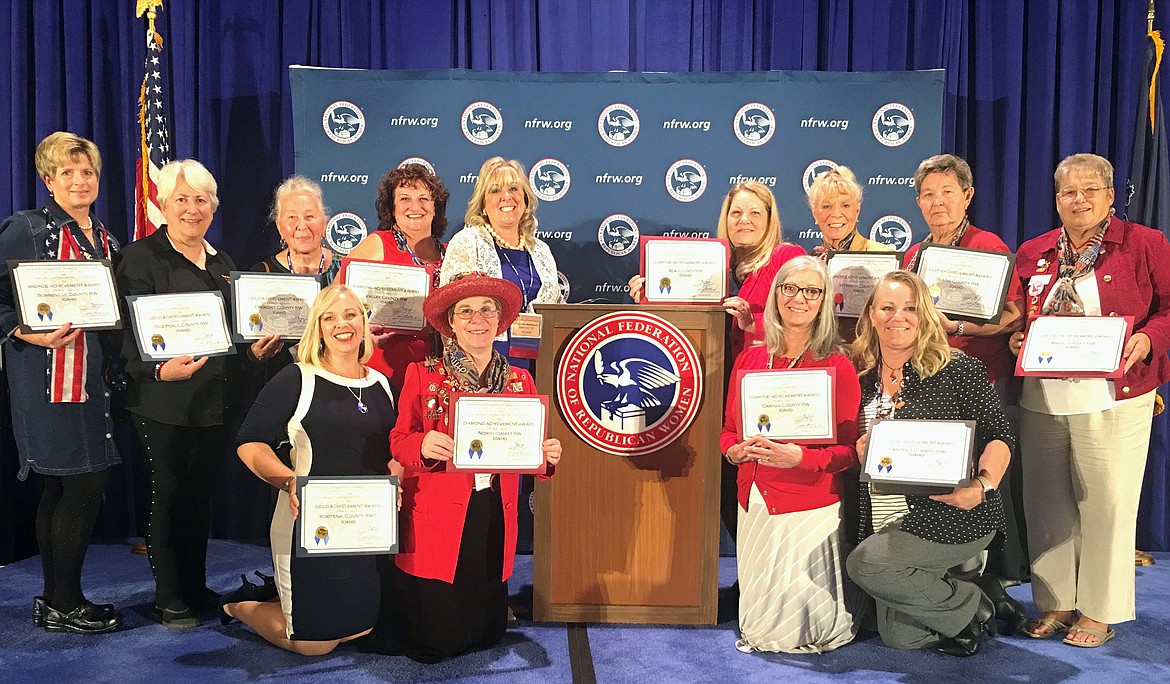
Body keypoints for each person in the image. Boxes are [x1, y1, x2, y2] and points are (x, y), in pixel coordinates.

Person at [1009, 153, 1170, 647]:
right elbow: (1017, 316)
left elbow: (1168, 309)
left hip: (1113, 399)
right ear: (1056, 199)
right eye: (1067, 192)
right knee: (1046, 506)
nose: (1078, 200)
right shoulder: (1034, 251)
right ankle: (1056, 603)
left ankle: (1099, 611)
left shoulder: (1144, 244)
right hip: (1041, 399)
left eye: (1089, 191)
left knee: (1107, 506)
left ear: (1108, 195)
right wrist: (1017, 338)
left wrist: (1149, 339)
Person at [115, 159, 282, 628]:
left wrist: (254, 356)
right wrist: (156, 370)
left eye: (202, 199)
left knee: (198, 499)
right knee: (166, 496)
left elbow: (231, 338)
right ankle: (168, 595)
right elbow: (126, 336)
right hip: (162, 401)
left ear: (214, 207)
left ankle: (193, 585)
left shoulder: (223, 263)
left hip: (213, 403)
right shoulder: (140, 258)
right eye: (182, 200)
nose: (192, 209)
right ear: (163, 205)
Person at [380, 272, 561, 662]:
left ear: (500, 321)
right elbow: (399, 440)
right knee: (442, 640)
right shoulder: (423, 374)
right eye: (466, 311)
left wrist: (546, 455)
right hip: (441, 507)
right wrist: (423, 444)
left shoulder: (520, 380)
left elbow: (529, 452)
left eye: (486, 310)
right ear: (451, 323)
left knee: (487, 632)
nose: (477, 319)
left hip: (495, 504)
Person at [846, 270, 1025, 657]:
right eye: (888, 307)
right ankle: (973, 596)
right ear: (872, 315)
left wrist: (982, 486)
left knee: (865, 566)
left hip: (950, 512)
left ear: (925, 314)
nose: (899, 317)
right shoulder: (860, 382)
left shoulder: (958, 369)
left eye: (910, 308)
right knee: (901, 638)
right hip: (880, 518)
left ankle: (969, 607)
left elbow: (1000, 436)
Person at [224, 285, 397, 655]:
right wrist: (289, 481)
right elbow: (249, 443)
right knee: (313, 645)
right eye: (329, 317)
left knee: (359, 632)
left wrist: (395, 480)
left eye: (350, 315)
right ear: (317, 328)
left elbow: (391, 451)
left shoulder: (381, 383)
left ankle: (282, 602)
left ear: (364, 323)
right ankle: (239, 606)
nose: (341, 324)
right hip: (307, 525)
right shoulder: (297, 378)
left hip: (366, 527)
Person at [0, 132, 122, 634]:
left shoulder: (106, 239)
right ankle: (64, 599)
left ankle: (56, 598)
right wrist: (25, 331)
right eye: (67, 173)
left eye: (87, 172)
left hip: (92, 379)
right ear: (48, 181)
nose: (79, 180)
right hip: (47, 377)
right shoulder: (26, 229)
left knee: (70, 486)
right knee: (79, 483)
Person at [720, 256, 861, 653]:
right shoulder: (750, 359)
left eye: (811, 291)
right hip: (755, 496)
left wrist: (802, 458)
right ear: (776, 294)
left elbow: (849, 452)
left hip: (808, 499)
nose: (799, 298)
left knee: (790, 633)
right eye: (789, 288)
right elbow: (728, 431)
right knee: (760, 630)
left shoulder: (836, 363)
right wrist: (733, 451)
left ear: (824, 302)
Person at [904, 153, 1029, 585]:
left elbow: (1015, 314)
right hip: (930, 382)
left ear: (967, 196)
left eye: (947, 193)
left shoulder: (987, 246)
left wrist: (957, 325)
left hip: (981, 378)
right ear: (918, 202)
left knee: (984, 472)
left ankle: (1000, 570)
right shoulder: (914, 255)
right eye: (928, 194)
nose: (937, 202)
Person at [440, 157, 563, 371]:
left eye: (514, 188)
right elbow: (451, 311)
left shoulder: (541, 250)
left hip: (540, 364)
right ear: (483, 204)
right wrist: (465, 370)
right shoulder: (468, 242)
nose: (506, 197)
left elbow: (558, 310)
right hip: (484, 365)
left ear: (525, 199)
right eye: (495, 191)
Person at [346, 163, 450, 391]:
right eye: (404, 199)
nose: (415, 206)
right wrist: (361, 337)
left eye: (424, 198)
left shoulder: (451, 253)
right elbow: (336, 302)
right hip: (385, 372)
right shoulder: (378, 244)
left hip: (439, 376)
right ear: (392, 208)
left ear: (435, 207)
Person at [254, 175, 341, 282]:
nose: (302, 226)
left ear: (324, 223)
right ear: (279, 227)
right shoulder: (262, 274)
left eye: (309, 216)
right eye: (292, 217)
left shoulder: (345, 270)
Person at [806, 166, 893, 255]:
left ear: (857, 210)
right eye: (827, 206)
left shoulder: (883, 256)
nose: (836, 214)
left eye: (845, 206)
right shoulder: (810, 263)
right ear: (814, 213)